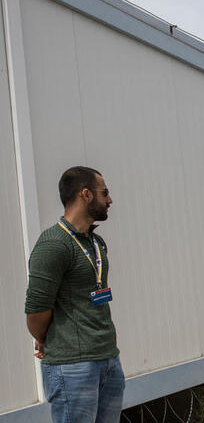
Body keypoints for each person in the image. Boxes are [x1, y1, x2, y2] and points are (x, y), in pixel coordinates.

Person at [25, 166, 124, 423]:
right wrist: (50, 338)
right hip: (73, 367)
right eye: (105, 193)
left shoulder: (95, 241)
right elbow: (36, 310)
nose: (110, 200)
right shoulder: (53, 244)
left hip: (108, 359)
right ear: (86, 194)